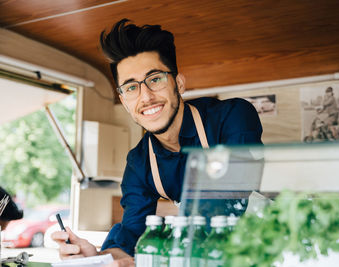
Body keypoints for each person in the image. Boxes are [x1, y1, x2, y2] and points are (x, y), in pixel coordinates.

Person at [52, 18, 262, 265]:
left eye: (155, 79)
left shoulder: (232, 116)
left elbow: (229, 195)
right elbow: (131, 231)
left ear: (179, 83)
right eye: (131, 88)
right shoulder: (140, 161)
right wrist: (100, 258)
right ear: (124, 101)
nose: (146, 97)